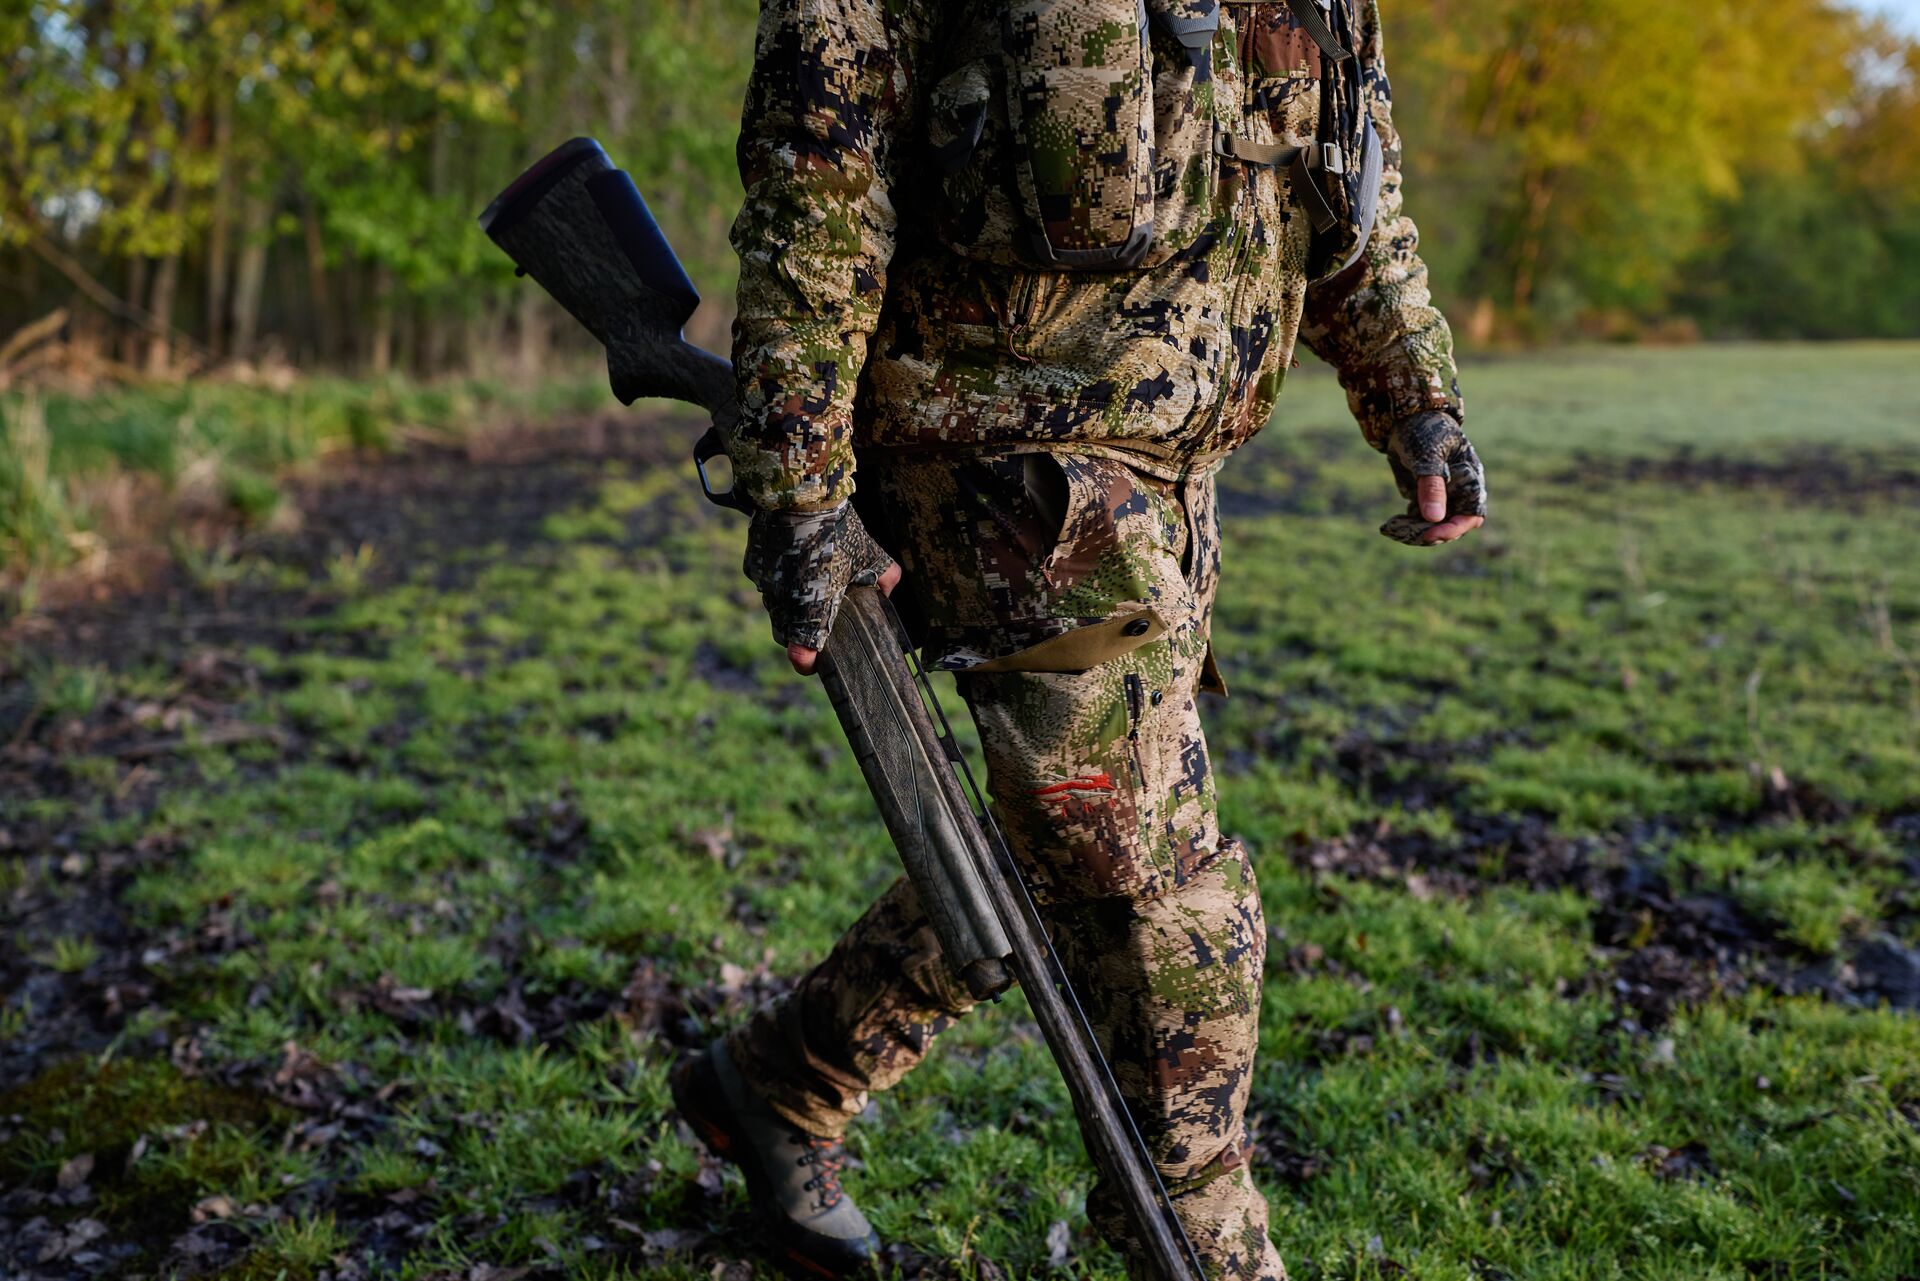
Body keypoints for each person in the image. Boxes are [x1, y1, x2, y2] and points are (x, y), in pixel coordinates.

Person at [671, 1, 1488, 1276]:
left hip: (1178, 478)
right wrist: (801, 487)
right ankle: (1204, 1243)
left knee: (1079, 830)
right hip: (997, 458)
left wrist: (1418, 397)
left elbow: (1355, 201)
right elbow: (820, 174)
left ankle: (778, 1083)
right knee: (1161, 889)